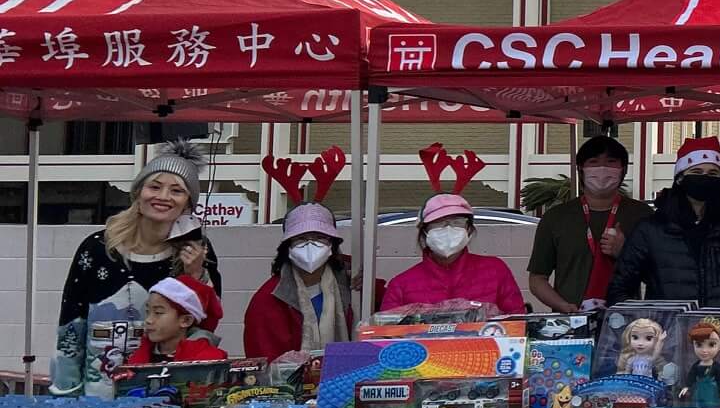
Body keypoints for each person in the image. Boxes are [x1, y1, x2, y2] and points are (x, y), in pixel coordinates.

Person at [54, 142, 217, 396]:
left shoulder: (196, 252)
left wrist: (195, 276)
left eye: (176, 191)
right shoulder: (98, 248)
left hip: (164, 396)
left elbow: (205, 328)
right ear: (138, 193)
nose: (163, 196)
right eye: (154, 187)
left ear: (188, 204)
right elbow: (72, 323)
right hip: (96, 398)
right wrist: (66, 394)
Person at [607, 136, 720, 310]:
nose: (705, 178)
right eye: (696, 172)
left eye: (713, 173)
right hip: (666, 326)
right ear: (679, 178)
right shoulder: (650, 229)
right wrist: (645, 322)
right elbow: (619, 288)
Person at [527, 135, 653, 314]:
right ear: (580, 169)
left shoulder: (642, 215)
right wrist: (562, 306)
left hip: (627, 322)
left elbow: (657, 276)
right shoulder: (556, 217)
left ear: (623, 170)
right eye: (593, 162)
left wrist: (625, 253)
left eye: (611, 162)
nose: (602, 168)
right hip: (570, 320)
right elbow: (537, 279)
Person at [381, 193, 527, 315]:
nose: (448, 229)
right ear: (424, 232)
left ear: (469, 229)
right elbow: (386, 333)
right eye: (438, 223)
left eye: (457, 222)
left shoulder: (495, 270)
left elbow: (517, 322)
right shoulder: (401, 285)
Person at [243, 203, 357, 357]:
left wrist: (364, 279)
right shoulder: (267, 300)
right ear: (288, 246)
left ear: (332, 244)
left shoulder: (352, 282)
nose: (310, 245)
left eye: (319, 237)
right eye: (301, 238)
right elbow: (263, 359)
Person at [126, 276, 229, 366]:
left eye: (158, 312)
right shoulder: (139, 357)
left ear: (186, 320)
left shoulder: (208, 362)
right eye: (147, 312)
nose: (148, 320)